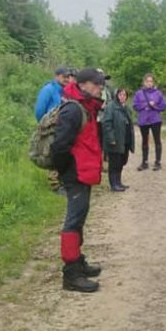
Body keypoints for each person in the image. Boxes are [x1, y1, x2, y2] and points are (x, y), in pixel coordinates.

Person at [50, 68, 106, 293]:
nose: (100, 87)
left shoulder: (86, 106)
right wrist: (66, 171)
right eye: (97, 83)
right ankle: (71, 273)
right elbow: (59, 146)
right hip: (75, 173)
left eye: (101, 83)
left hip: (83, 171)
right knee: (73, 221)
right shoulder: (73, 109)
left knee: (80, 218)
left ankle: (78, 261)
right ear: (83, 85)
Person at [35, 66, 71, 192]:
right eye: (64, 76)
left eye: (68, 77)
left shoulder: (65, 91)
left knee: (62, 154)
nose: (66, 79)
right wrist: (44, 124)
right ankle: (55, 185)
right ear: (56, 76)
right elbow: (39, 110)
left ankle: (62, 181)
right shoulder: (48, 90)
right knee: (52, 154)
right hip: (51, 128)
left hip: (62, 128)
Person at [102, 88, 135, 192]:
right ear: (116, 95)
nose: (122, 97)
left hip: (125, 140)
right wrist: (111, 138)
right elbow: (107, 124)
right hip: (115, 140)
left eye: (124, 95)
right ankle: (114, 184)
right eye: (120, 95)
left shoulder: (126, 108)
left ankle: (119, 182)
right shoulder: (111, 107)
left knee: (121, 162)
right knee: (114, 163)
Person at [133, 74, 166, 171]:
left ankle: (158, 162)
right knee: (145, 141)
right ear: (144, 82)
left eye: (151, 81)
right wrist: (146, 104)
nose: (149, 83)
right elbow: (135, 106)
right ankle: (144, 162)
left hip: (155, 120)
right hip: (143, 120)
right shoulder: (139, 93)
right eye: (147, 81)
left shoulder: (158, 93)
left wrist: (155, 106)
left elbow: (164, 106)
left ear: (153, 83)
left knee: (157, 140)